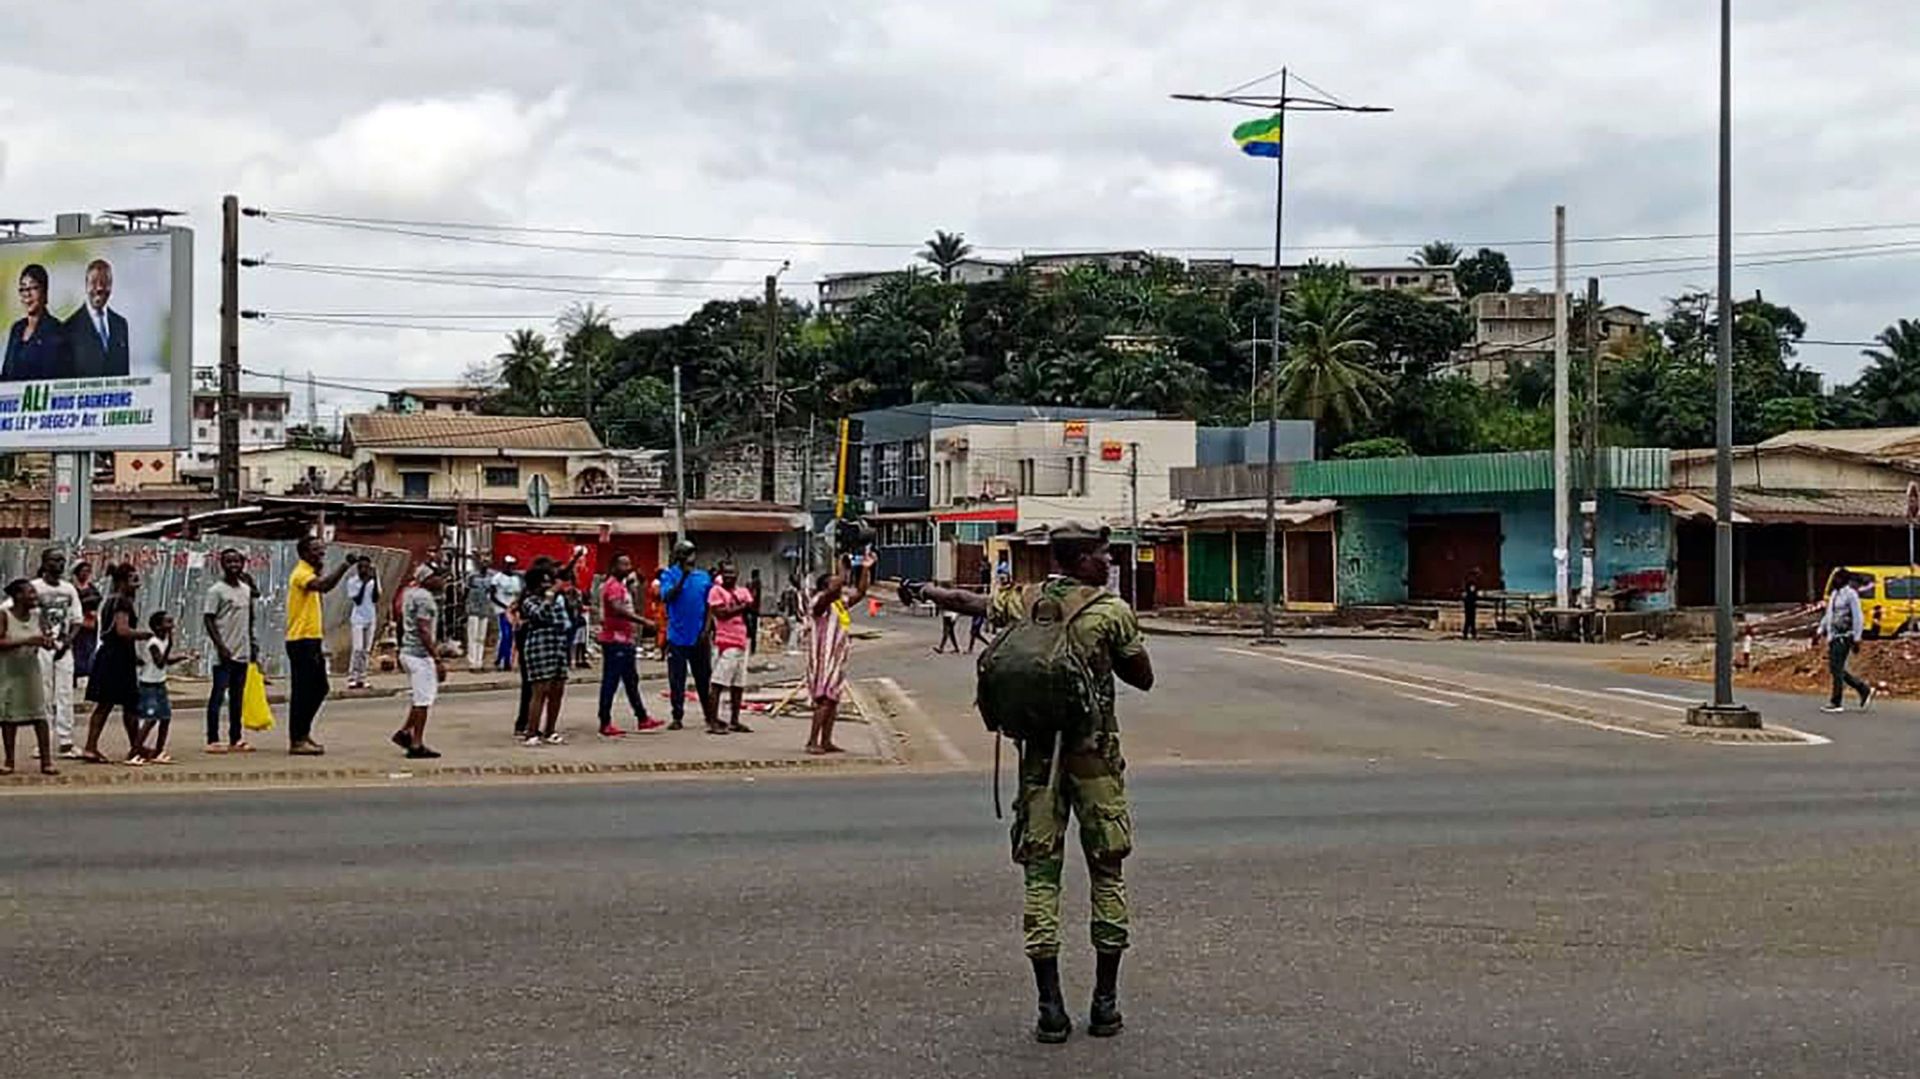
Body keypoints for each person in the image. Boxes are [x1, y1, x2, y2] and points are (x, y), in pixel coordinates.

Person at [912, 522, 1155, 1044]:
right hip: (1094, 760)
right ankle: (1105, 1003)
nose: (1109, 562)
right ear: (1080, 559)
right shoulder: (1110, 612)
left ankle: (1049, 1008)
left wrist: (925, 591)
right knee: (1107, 873)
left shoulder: (1024, 600)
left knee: (1040, 878)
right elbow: (1143, 676)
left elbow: (969, 603)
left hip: (1038, 762)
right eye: (1101, 554)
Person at [285, 535, 351, 756]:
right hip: (300, 640)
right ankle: (297, 739)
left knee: (319, 688)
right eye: (315, 550)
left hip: (311, 639)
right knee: (304, 692)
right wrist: (344, 565)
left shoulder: (309, 571)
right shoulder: (301, 574)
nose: (320, 553)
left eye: (322, 550)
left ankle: (303, 733)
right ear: (304, 553)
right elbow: (324, 587)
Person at [80, 563, 150, 765]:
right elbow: (122, 631)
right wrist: (146, 634)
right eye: (133, 580)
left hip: (113, 655)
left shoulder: (110, 600)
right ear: (122, 581)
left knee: (116, 704)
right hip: (116, 658)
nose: (137, 584)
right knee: (118, 704)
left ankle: (133, 746)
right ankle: (95, 747)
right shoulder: (121, 602)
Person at [803, 551, 872, 755]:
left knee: (833, 700)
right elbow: (833, 591)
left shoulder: (838, 603)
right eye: (835, 582)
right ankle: (812, 741)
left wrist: (866, 568)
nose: (841, 584)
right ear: (825, 586)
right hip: (823, 658)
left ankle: (826, 740)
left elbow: (860, 593)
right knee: (824, 699)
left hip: (837, 657)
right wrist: (843, 568)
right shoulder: (819, 602)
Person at [596, 553, 661, 737]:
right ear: (614, 567)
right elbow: (617, 609)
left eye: (629, 564)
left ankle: (642, 717)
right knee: (611, 681)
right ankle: (605, 721)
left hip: (625, 640)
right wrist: (644, 621)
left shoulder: (621, 586)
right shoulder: (613, 586)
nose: (628, 567)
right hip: (615, 641)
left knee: (631, 681)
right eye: (623, 564)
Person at [658, 541, 718, 732]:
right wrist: (682, 578)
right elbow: (667, 597)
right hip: (677, 636)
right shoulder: (669, 575)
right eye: (685, 554)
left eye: (691, 554)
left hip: (699, 636)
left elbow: (710, 605)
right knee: (677, 679)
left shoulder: (702, 577)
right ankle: (677, 716)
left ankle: (710, 715)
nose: (689, 558)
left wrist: (707, 630)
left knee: (703, 677)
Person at [0, 579, 58, 775]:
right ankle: (9, 761)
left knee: (39, 715)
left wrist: (47, 642)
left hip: (30, 671)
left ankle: (46, 761)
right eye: (30, 593)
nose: (34, 597)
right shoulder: (4, 615)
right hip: (9, 672)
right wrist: (26, 640)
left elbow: (46, 637)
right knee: (9, 717)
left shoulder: (37, 616)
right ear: (17, 596)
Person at [202, 548, 257, 754]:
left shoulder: (245, 589)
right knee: (218, 695)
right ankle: (213, 738)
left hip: (242, 652)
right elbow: (208, 619)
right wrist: (220, 646)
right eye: (229, 562)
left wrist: (252, 647)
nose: (233, 565)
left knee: (237, 697)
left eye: (237, 561)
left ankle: (236, 737)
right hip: (224, 653)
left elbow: (249, 620)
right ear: (222, 564)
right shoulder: (216, 591)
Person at [390, 564, 447, 759]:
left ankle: (405, 731)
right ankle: (417, 742)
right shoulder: (425, 599)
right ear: (428, 579)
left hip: (408, 651)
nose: (442, 580)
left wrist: (399, 649)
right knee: (424, 701)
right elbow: (424, 630)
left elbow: (400, 623)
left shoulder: (410, 594)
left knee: (421, 697)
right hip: (419, 655)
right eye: (438, 576)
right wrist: (437, 658)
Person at [29, 549, 81, 758]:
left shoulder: (69, 589)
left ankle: (66, 740)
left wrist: (67, 642)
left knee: (65, 692)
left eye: (62, 561)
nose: (59, 564)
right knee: (43, 693)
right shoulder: (34, 587)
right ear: (45, 563)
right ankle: (42, 742)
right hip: (41, 645)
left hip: (64, 646)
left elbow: (77, 619)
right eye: (54, 560)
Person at [517, 566, 572, 746]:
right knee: (540, 690)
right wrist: (549, 598)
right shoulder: (528, 601)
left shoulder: (558, 600)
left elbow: (564, 621)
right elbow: (540, 615)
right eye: (544, 581)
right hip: (539, 646)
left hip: (558, 645)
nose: (548, 585)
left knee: (557, 690)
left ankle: (550, 730)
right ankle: (531, 731)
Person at [135, 611, 192, 765]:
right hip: (149, 684)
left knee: (165, 718)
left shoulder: (164, 640)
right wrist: (171, 646)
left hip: (159, 683)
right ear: (158, 626)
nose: (171, 625)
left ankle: (159, 751)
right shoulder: (153, 643)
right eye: (168, 622)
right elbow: (160, 662)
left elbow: (165, 662)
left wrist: (181, 657)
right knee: (151, 719)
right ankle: (134, 751)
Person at [707, 560, 756, 734]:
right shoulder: (716, 591)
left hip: (742, 640)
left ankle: (734, 720)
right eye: (726, 573)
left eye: (733, 573)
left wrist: (744, 606)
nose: (730, 576)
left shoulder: (742, 590)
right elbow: (721, 615)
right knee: (718, 682)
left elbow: (753, 608)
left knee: (738, 684)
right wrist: (743, 606)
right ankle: (712, 722)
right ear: (721, 574)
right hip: (726, 642)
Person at [2, 263, 72, 382]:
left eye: (33, 288)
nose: (27, 294)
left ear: (45, 292)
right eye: (23, 289)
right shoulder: (17, 329)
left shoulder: (56, 331)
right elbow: (6, 374)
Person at [64, 258, 130, 379]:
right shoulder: (69, 328)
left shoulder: (121, 325)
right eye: (94, 282)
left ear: (111, 285)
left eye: (105, 282)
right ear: (86, 285)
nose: (99, 288)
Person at [1820, 571, 1874, 714]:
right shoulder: (1834, 595)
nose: (1834, 581)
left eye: (1837, 578)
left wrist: (1857, 638)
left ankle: (1836, 701)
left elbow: (1858, 617)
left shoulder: (1851, 595)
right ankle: (1863, 688)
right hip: (1833, 636)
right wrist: (1820, 630)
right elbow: (1829, 614)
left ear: (1843, 580)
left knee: (1836, 668)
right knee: (1835, 668)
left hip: (1845, 636)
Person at [345, 557, 381, 690]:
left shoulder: (373, 581)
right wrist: (364, 584)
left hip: (371, 617)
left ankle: (362, 677)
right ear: (357, 568)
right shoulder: (353, 581)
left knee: (366, 650)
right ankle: (352, 677)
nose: (363, 570)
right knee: (357, 648)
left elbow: (376, 598)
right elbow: (357, 600)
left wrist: (375, 578)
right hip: (357, 618)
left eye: (366, 567)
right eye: (361, 567)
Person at [489, 556, 523, 671]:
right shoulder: (497, 578)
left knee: (512, 636)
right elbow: (492, 596)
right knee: (506, 635)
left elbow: (518, 595)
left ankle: (501, 658)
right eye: (508, 564)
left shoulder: (516, 579)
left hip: (513, 610)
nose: (510, 567)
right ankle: (505, 661)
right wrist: (504, 606)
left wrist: (515, 606)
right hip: (501, 610)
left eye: (512, 565)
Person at [71, 560, 101, 685]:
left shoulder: (92, 587)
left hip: (91, 624)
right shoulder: (72, 588)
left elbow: (98, 600)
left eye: (88, 571)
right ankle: (73, 677)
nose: (86, 574)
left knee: (89, 649)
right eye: (83, 571)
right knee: (76, 650)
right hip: (78, 623)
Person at [463, 557, 494, 673]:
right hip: (473, 608)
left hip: (484, 608)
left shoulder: (491, 576)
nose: (484, 565)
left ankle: (479, 662)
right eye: (483, 562)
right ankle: (472, 663)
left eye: (487, 562)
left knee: (481, 637)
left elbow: (492, 591)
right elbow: (465, 592)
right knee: (472, 636)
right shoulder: (472, 576)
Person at [744, 568, 764, 656]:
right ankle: (752, 648)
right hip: (753, 609)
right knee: (752, 630)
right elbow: (754, 595)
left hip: (750, 609)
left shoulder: (751, 584)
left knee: (750, 630)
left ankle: (750, 648)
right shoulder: (756, 583)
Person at [1462, 570, 1481, 641]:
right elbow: (1472, 592)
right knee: (1470, 619)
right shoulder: (1472, 583)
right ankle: (1469, 633)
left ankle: (1468, 633)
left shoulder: (1469, 582)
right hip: (1470, 603)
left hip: (1469, 603)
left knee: (1469, 619)